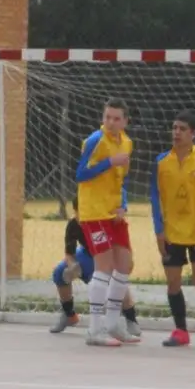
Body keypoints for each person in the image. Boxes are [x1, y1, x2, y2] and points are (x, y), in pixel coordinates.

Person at [150, 113, 195, 349]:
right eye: (174, 127)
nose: (176, 132)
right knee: (172, 282)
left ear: (193, 133)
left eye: (182, 129)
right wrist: (159, 230)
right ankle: (181, 330)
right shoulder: (161, 162)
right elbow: (155, 198)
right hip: (171, 233)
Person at [74, 100, 138, 347]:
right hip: (94, 212)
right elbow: (80, 174)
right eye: (107, 117)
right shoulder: (95, 141)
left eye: (116, 118)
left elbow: (121, 180)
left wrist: (124, 204)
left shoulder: (127, 143)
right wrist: (108, 163)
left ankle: (113, 324)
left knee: (124, 263)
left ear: (125, 121)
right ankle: (94, 328)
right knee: (104, 266)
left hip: (113, 213)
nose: (110, 122)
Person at [50, 209, 139, 337]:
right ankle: (69, 314)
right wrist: (73, 267)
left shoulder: (102, 221)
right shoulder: (74, 225)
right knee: (59, 272)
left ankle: (131, 318)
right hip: (87, 254)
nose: (82, 217)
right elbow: (69, 253)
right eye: (79, 213)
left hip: (105, 255)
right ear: (75, 212)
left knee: (114, 280)